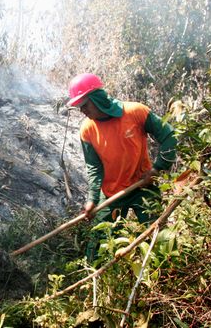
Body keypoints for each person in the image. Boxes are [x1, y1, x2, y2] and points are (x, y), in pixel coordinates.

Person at [67, 73, 177, 261]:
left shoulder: (135, 112)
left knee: (160, 237)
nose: (82, 111)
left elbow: (169, 137)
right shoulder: (87, 129)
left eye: (84, 105)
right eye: (79, 107)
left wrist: (157, 168)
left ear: (97, 97)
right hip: (111, 193)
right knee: (97, 248)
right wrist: (92, 198)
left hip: (142, 185)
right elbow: (94, 167)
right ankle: (97, 280)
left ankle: (172, 273)